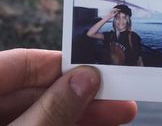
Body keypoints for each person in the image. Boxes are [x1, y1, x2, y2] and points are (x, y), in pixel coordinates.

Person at [0, 48, 137, 125]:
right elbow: (91, 33)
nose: (121, 20)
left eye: (124, 17)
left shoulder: (131, 37)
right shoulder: (110, 34)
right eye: (118, 17)